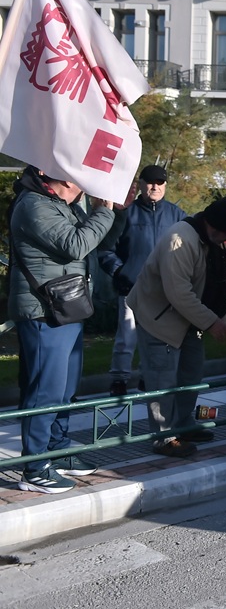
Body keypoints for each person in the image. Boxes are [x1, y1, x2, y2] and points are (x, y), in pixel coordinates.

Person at [9, 166, 114, 493]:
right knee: (46, 391)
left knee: (65, 388)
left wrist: (96, 213)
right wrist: (103, 212)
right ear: (64, 181)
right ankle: (35, 467)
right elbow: (75, 245)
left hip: (66, 306)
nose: (83, 188)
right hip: (43, 312)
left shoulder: (61, 204)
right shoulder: (33, 205)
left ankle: (59, 449)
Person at [128, 196, 226, 458]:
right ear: (214, 227)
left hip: (188, 318)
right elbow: (179, 293)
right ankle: (164, 437)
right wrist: (212, 323)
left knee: (190, 376)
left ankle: (183, 425)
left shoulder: (216, 239)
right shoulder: (179, 240)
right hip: (158, 318)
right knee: (163, 379)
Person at [98, 164, 187, 397]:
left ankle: (148, 377)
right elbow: (106, 250)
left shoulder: (178, 216)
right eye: (150, 182)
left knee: (158, 339)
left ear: (166, 185)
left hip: (163, 291)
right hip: (131, 288)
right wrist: (120, 272)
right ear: (140, 184)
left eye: (159, 182)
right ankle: (119, 379)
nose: (154, 186)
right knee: (126, 338)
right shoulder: (127, 214)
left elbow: (190, 250)